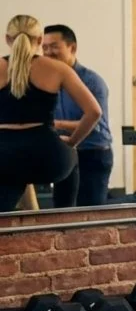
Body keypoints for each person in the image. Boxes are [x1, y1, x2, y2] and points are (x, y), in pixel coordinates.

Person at [0, 15, 102, 212]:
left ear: (7, 39)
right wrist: (72, 142)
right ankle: (64, 219)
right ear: (39, 40)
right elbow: (94, 112)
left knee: (9, 178)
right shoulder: (58, 69)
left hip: (3, 155)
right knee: (71, 157)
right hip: (46, 156)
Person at [43, 24, 114, 208]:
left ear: (72, 48)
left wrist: (57, 124)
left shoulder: (92, 81)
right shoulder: (48, 80)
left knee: (91, 211)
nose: (48, 52)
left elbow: (95, 124)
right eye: (44, 47)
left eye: (54, 46)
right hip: (65, 152)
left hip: (93, 154)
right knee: (62, 210)